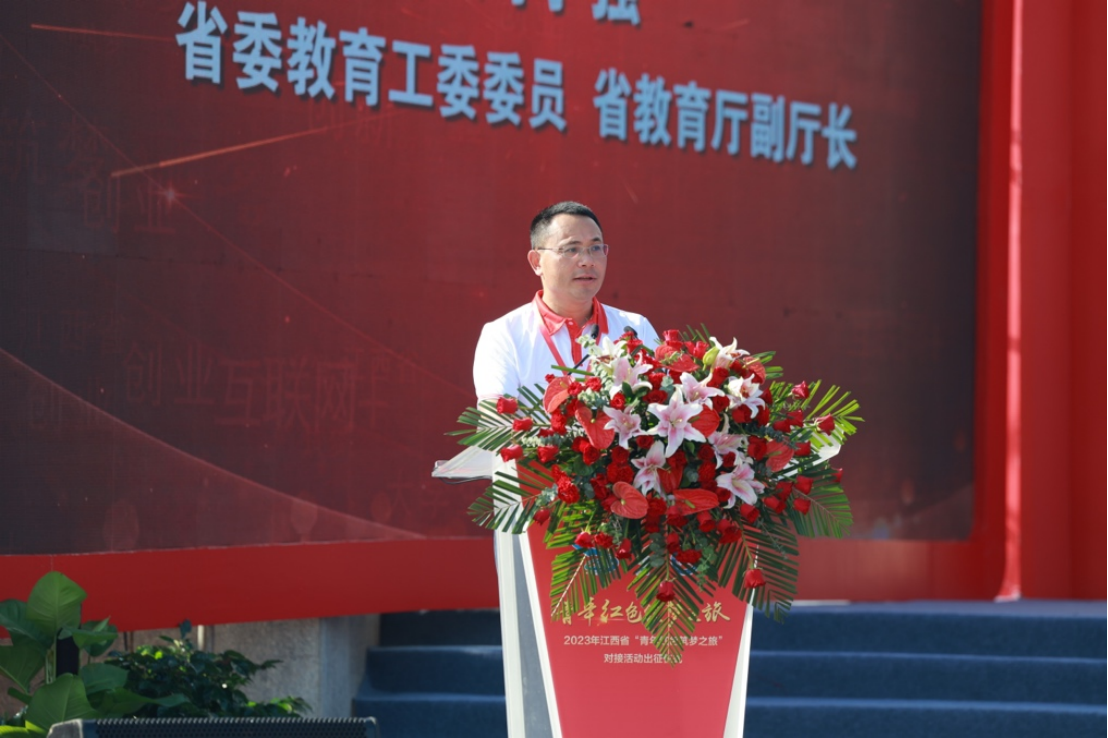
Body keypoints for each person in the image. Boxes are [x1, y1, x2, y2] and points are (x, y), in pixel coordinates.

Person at [473, 201, 658, 400]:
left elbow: (662, 402)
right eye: (571, 249)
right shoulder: (505, 334)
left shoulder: (635, 329)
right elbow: (495, 418)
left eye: (596, 248)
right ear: (536, 262)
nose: (587, 261)